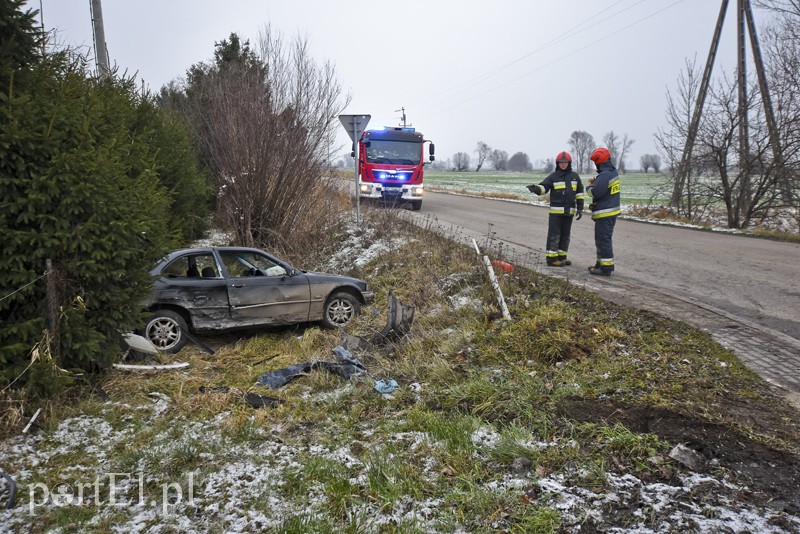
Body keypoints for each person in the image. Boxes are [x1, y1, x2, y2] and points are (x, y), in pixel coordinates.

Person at [526, 151, 584, 266]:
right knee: (554, 235)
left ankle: (562, 257)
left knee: (565, 236)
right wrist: (535, 188)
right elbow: (544, 187)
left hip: (569, 212)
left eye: (565, 162)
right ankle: (552, 259)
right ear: (558, 163)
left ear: (569, 163)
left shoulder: (575, 177)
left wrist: (580, 208)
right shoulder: (553, 176)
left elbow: (580, 194)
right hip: (556, 213)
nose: (563, 164)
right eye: (561, 162)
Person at [586, 147, 621, 276]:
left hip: (605, 213)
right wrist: (598, 182)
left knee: (603, 240)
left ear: (599, 162)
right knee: (603, 239)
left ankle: (606, 268)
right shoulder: (613, 172)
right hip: (611, 212)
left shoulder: (605, 175)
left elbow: (596, 193)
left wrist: (589, 187)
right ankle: (600, 264)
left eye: (596, 162)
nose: (596, 165)